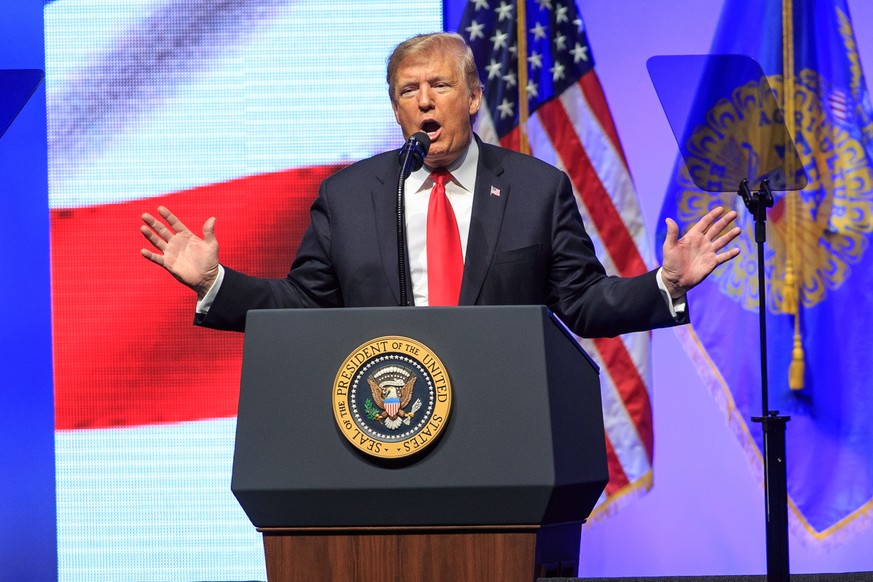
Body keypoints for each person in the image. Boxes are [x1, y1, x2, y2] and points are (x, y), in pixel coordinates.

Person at [140, 32, 740, 337]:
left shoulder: (538, 190)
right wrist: (217, 282)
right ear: (397, 110)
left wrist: (665, 283)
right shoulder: (348, 198)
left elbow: (581, 303)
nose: (424, 101)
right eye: (408, 91)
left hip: (502, 425)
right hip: (382, 424)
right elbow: (303, 306)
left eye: (440, 86)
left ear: (474, 97)